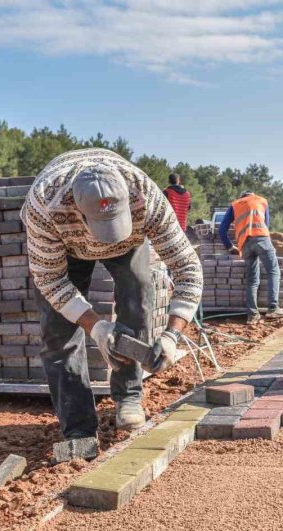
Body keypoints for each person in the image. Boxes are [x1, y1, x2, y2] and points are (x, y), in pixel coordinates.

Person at [21, 148, 203, 439]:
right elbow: (51, 281)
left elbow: (188, 268)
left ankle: (128, 397)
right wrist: (97, 327)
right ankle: (78, 430)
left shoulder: (146, 197)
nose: (107, 238)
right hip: (67, 248)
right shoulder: (45, 205)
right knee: (58, 331)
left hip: (131, 244)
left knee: (139, 295)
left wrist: (172, 335)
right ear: (76, 208)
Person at [218, 191, 283, 325]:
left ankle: (252, 315)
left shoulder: (235, 205)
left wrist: (229, 246)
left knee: (252, 280)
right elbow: (266, 225)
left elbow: (222, 230)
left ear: (242, 197)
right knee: (273, 271)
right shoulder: (262, 200)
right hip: (262, 239)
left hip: (245, 244)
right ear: (253, 194)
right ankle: (273, 308)